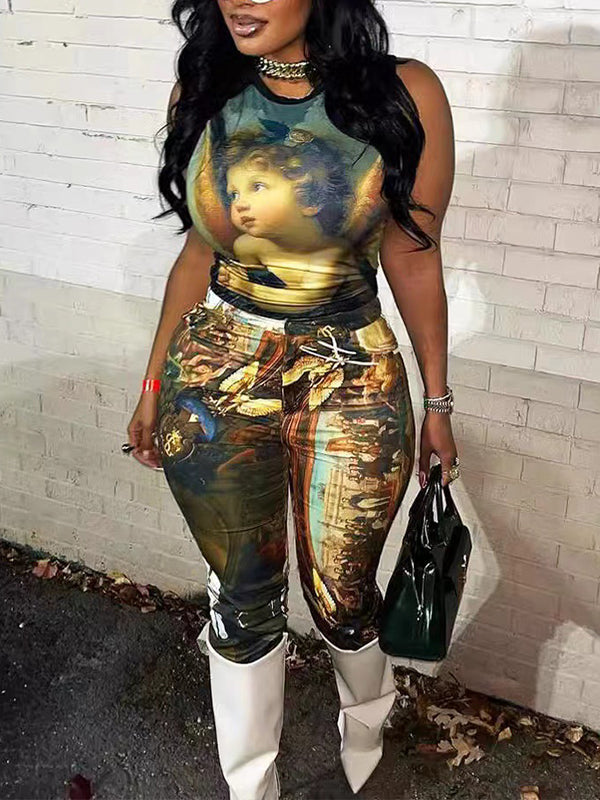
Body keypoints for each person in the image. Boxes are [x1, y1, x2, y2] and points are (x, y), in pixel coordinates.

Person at [126, 0, 459, 797]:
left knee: (343, 596)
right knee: (241, 598)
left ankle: (366, 731)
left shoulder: (404, 94)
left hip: (352, 373)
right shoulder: (205, 88)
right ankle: (252, 787)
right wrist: (151, 383)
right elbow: (197, 254)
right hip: (216, 371)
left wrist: (438, 404)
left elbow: (414, 257)